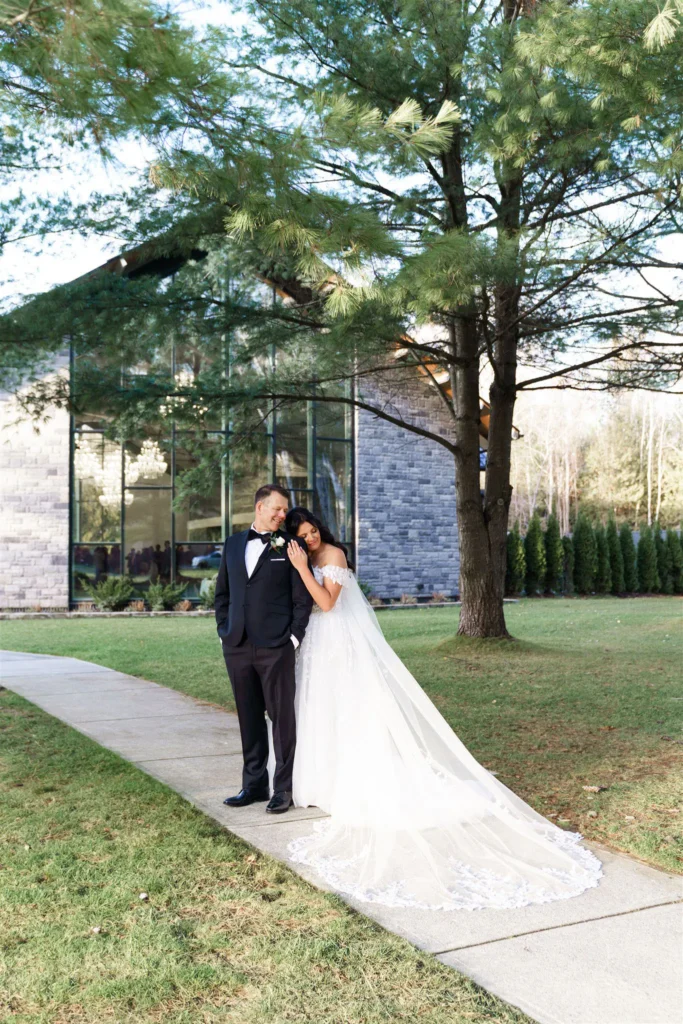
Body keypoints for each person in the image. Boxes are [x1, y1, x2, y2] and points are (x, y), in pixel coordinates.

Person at [282, 506, 603, 912]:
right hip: (317, 647)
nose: (312, 539)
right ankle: (318, 782)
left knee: (349, 710)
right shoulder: (307, 558)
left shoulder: (333, 556)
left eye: (313, 531)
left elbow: (327, 603)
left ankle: (352, 782)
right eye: (304, 535)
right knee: (321, 710)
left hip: (338, 641)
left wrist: (302, 568)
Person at [215, 484, 313, 814]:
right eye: (278, 509)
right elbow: (222, 595)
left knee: (282, 719)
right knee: (249, 716)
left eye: (285, 510)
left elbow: (303, 599)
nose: (283, 515)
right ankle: (253, 784)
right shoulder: (231, 545)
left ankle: (282, 789)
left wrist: (293, 639)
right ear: (260, 507)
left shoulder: (290, 544)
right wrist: (223, 632)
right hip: (237, 646)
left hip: (276, 647)